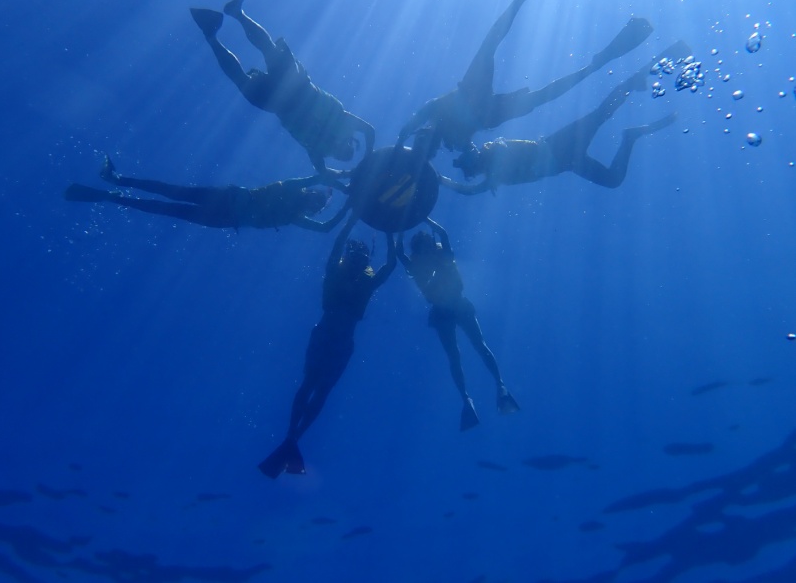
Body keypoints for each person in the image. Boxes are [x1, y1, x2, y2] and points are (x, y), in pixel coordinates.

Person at [397, 0, 653, 153]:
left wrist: (404, 137)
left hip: (473, 99)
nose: (424, 141)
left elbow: (423, 116)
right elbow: (471, 153)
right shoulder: (449, 138)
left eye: (421, 138)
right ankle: (597, 62)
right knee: (535, 91)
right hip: (484, 113)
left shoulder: (431, 117)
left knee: (494, 50)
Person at [442, 41, 689, 194]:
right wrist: (441, 180)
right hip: (567, 164)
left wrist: (447, 171)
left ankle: (646, 70)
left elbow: (481, 167)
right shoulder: (491, 177)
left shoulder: (493, 153)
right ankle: (630, 137)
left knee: (602, 113)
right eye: (471, 166)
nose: (474, 166)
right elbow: (467, 192)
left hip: (557, 147)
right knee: (613, 180)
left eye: (471, 162)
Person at [259, 214, 396, 478]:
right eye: (356, 254)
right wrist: (390, 231)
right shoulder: (354, 278)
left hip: (329, 338)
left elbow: (384, 264)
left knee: (315, 387)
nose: (358, 258)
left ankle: (292, 438)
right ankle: (293, 438)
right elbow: (388, 264)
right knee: (317, 388)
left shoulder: (345, 275)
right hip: (338, 341)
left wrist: (356, 221)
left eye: (360, 255)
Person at [190, 0, 375, 177]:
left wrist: (349, 174)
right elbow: (370, 131)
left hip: (282, 103)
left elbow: (322, 171)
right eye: (346, 151)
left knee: (247, 74)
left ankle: (213, 34)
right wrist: (367, 160)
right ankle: (234, 15)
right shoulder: (343, 122)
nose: (340, 153)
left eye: (339, 157)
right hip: (298, 89)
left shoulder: (318, 151)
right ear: (349, 141)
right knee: (267, 52)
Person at [396, 219, 518, 431]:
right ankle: (487, 391)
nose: (426, 250)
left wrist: (399, 225)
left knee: (467, 351)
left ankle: (488, 390)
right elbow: (440, 234)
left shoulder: (422, 263)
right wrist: (422, 219)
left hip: (449, 309)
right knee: (470, 349)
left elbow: (404, 250)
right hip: (451, 308)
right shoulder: (437, 256)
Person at [64, 155, 345, 231]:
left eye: (316, 203)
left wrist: (349, 208)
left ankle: (114, 195)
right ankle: (116, 179)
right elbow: (313, 177)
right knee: (171, 193)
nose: (313, 200)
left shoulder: (294, 216)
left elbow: (326, 229)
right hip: (226, 203)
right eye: (317, 197)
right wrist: (341, 180)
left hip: (225, 214)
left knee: (167, 207)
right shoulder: (297, 195)